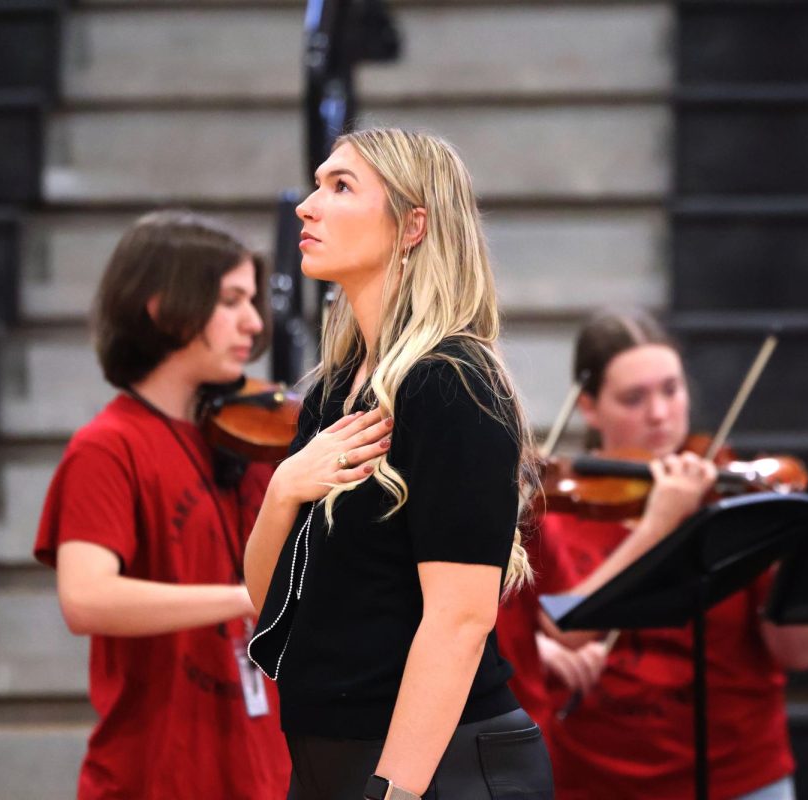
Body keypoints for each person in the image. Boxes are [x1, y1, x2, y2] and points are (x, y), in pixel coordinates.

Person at [243, 128, 555, 800]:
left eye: (341, 186)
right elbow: (271, 598)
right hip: (330, 760)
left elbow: (460, 619)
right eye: (317, 182)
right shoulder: (334, 388)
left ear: (413, 225)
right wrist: (282, 491)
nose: (306, 205)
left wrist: (395, 792)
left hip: (436, 769)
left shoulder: (453, 382)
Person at [496, 310, 808, 800]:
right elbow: (550, 627)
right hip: (596, 780)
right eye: (634, 398)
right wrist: (658, 525)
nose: (659, 414)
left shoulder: (735, 501)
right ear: (588, 406)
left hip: (740, 776)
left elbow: (800, 654)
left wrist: (788, 553)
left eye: (671, 390)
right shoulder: (558, 511)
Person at [33, 211, 292, 799]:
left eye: (253, 300)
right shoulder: (108, 447)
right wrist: (246, 599)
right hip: (157, 777)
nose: (254, 322)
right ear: (162, 306)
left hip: (266, 773)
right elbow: (86, 598)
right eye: (231, 300)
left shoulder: (255, 439)